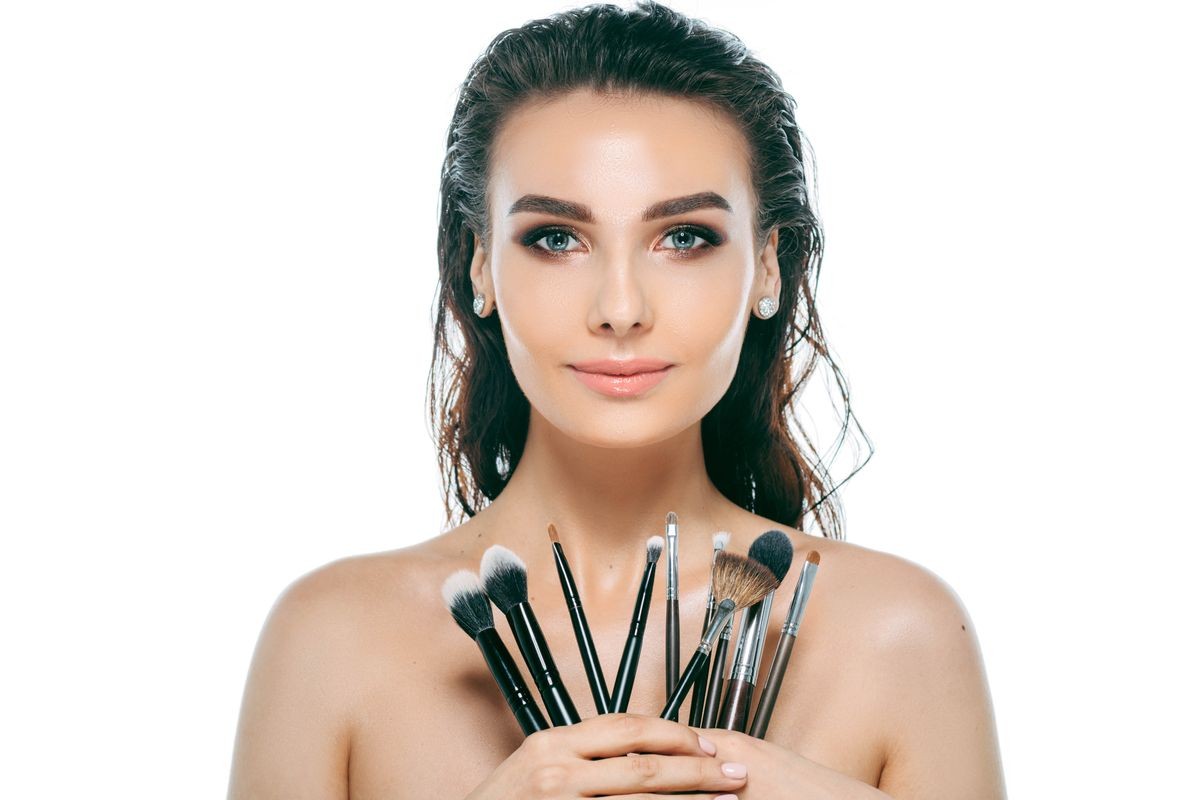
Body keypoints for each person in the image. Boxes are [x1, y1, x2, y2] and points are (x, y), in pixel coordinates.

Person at [227, 2, 1006, 797]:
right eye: (556, 239)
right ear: (480, 268)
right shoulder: (332, 641)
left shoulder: (901, 636)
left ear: (768, 267)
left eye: (685, 237)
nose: (622, 307)